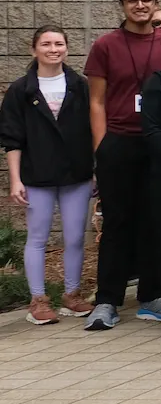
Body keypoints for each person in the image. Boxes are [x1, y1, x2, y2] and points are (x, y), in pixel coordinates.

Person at [82, 0, 161, 330]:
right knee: (118, 223)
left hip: (159, 144)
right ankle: (107, 300)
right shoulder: (106, 45)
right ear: (122, 3)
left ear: (155, 2)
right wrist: (102, 147)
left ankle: (152, 296)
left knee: (156, 221)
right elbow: (96, 101)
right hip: (118, 141)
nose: (140, 5)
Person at [3, 27, 94, 324]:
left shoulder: (80, 86)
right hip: (36, 175)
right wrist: (15, 180)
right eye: (46, 44)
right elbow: (12, 139)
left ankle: (72, 294)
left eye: (59, 43)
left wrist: (96, 170)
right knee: (38, 237)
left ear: (67, 48)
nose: (53, 49)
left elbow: (93, 130)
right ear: (34, 50)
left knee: (75, 237)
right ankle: (38, 299)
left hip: (76, 175)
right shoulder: (20, 90)